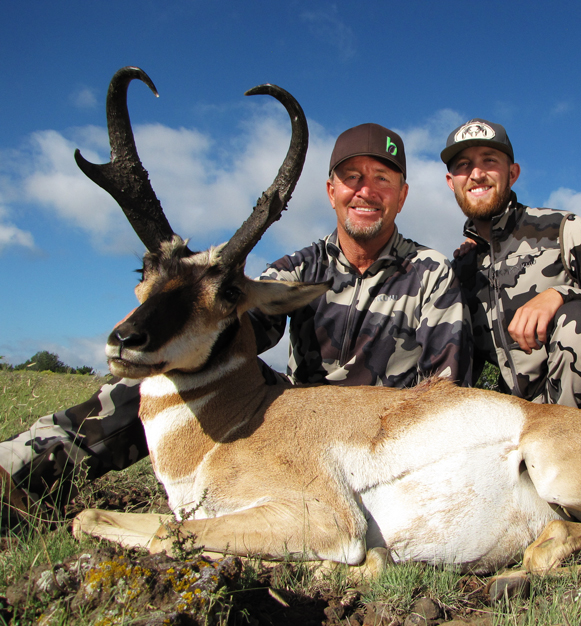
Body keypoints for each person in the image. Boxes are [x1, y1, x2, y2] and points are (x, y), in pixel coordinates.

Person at [1, 123, 471, 517]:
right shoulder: (298, 269)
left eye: (382, 179)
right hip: (297, 428)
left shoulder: (430, 272)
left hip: (384, 438)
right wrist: (173, 314)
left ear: (402, 195)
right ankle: (23, 470)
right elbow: (231, 330)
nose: (365, 190)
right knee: (168, 367)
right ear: (331, 192)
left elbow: (447, 391)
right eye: (351, 177)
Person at [444, 119, 581, 419]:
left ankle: (576, 454)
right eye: (464, 165)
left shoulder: (563, 229)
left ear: (512, 173)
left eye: (489, 161)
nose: (477, 174)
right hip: (518, 424)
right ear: (452, 182)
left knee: (577, 317)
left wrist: (562, 295)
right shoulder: (460, 269)